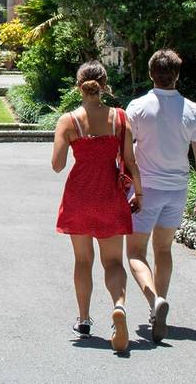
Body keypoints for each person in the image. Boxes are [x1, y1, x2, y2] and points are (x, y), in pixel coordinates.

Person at [52, 61, 143, 352]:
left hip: (79, 197)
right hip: (110, 197)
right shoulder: (120, 118)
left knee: (83, 261)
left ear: (79, 86)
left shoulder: (69, 120)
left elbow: (57, 165)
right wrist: (138, 193)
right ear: (103, 85)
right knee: (113, 262)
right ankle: (119, 307)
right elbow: (131, 161)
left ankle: (83, 319)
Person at [124, 49, 196, 343]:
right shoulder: (192, 110)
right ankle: (160, 300)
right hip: (177, 190)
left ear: (151, 74)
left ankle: (153, 302)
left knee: (135, 252)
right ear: (177, 75)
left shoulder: (137, 107)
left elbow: (124, 152)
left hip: (145, 190)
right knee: (164, 250)